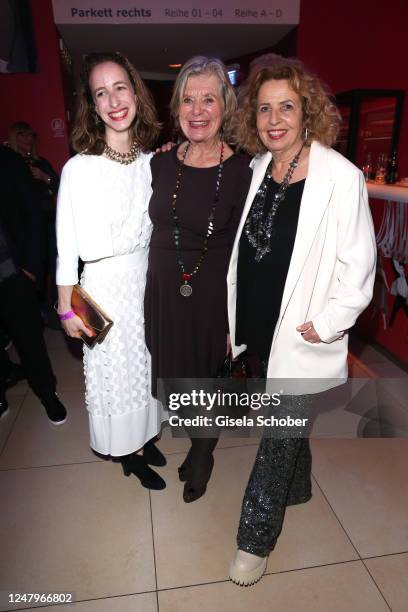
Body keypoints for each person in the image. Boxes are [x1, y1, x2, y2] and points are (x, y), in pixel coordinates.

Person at [226, 55, 376, 585]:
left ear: (306, 110)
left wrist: (332, 320)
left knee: (278, 429)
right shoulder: (258, 168)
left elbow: (360, 264)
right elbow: (246, 253)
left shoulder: (341, 177)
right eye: (264, 108)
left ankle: (254, 540)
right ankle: (300, 486)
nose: (274, 119)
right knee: (287, 423)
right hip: (260, 326)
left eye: (286, 106)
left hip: (305, 330)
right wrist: (234, 317)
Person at [56, 52, 167, 489]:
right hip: (102, 287)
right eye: (102, 92)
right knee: (116, 374)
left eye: (120, 87)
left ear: (136, 92)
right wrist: (66, 308)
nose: (114, 100)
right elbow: (66, 244)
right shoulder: (79, 168)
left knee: (144, 368)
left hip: (146, 282)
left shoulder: (150, 163)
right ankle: (130, 454)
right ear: (93, 104)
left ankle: (142, 437)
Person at [144, 56, 252, 502]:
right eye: (188, 100)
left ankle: (203, 453)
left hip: (211, 296)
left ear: (225, 106)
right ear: (177, 107)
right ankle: (198, 440)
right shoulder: (161, 163)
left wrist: (237, 318)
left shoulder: (246, 170)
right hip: (164, 291)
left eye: (209, 99)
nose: (198, 110)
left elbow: (249, 251)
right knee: (176, 377)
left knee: (209, 377)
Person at [0, 143, 66, 424]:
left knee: (29, 339)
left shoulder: (8, 161)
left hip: (12, 272)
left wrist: (31, 267)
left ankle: (47, 393)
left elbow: (33, 216)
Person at [7, 122, 60, 322]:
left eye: (31, 136)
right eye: (23, 136)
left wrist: (43, 177)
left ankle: (56, 310)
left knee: (56, 266)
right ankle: (35, 313)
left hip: (49, 224)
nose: (28, 140)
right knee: (32, 269)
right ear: (14, 138)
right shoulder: (10, 165)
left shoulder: (41, 163)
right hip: (24, 229)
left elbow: (59, 187)